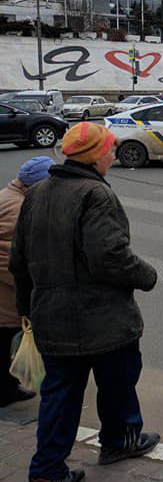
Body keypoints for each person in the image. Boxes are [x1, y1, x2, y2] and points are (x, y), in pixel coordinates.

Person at [10, 123, 160, 482]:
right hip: (102, 317)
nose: (112, 155)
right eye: (109, 149)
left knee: (59, 396)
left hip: (52, 317)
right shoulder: (95, 193)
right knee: (118, 383)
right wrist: (146, 275)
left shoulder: (38, 192)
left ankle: (45, 474)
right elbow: (109, 256)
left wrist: (27, 307)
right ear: (96, 156)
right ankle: (119, 441)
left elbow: (19, 260)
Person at [0, 157, 55, 407]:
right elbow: (10, 258)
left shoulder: (9, 196)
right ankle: (5, 390)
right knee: (4, 340)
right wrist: (31, 288)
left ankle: (7, 385)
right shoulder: (18, 207)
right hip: (6, 295)